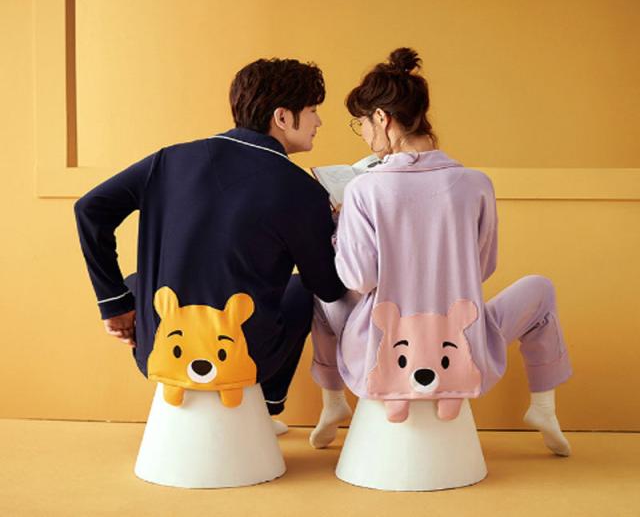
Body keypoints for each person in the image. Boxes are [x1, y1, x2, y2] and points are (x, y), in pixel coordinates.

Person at [309, 48, 572, 456]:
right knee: (541, 289)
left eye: (362, 123)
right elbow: (482, 267)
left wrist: (341, 229)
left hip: (381, 352)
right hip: (465, 346)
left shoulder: (363, 190)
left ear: (382, 117)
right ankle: (543, 407)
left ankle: (332, 401)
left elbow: (358, 278)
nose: (363, 133)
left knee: (318, 293)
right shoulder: (476, 184)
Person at [74, 57, 346, 435]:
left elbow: (89, 208)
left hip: (158, 350)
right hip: (245, 358)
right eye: (313, 111)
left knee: (138, 283)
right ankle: (266, 403)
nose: (318, 122)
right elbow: (328, 287)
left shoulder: (169, 160)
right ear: (283, 117)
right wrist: (335, 224)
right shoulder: (302, 189)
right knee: (301, 289)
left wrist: (114, 304)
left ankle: (259, 404)